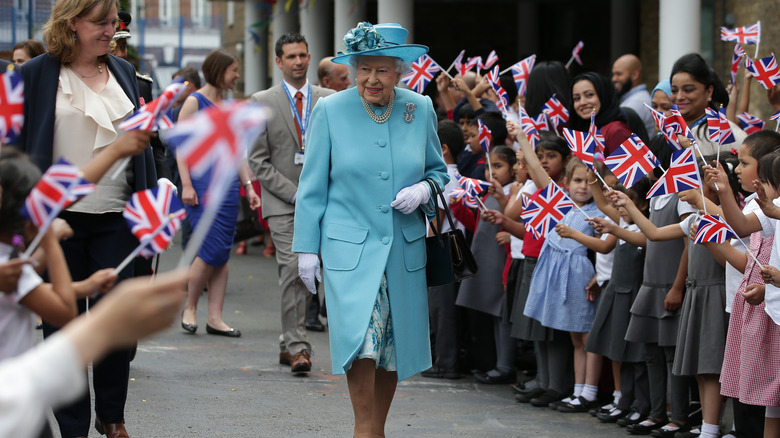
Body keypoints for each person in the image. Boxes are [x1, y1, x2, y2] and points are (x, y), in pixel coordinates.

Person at [292, 22, 449, 436]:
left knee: (391, 349)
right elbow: (312, 187)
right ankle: (365, 429)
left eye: (381, 70)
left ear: (400, 71)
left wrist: (422, 189)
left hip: (403, 250)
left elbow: (439, 171)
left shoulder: (420, 108)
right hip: (349, 253)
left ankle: (376, 429)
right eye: (363, 68)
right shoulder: (329, 110)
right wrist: (305, 248)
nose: (371, 79)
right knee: (361, 343)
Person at [17, 0, 157, 434]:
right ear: (72, 23)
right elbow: (18, 150)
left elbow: (144, 147)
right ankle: (73, 425)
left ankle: (112, 417)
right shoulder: (34, 75)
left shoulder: (126, 74)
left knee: (117, 323)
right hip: (57, 221)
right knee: (64, 327)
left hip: (119, 217)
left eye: (114, 22)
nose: (111, 30)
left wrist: (154, 205)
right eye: (101, 22)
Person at [0, 269, 187, 438]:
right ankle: (75, 429)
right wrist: (103, 325)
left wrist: (85, 288)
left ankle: (111, 417)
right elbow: (63, 311)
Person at [248, 32, 333, 374]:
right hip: (285, 203)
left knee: (313, 273)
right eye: (291, 56)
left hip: (324, 202)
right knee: (293, 270)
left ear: (310, 57)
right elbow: (258, 160)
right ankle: (299, 347)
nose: (298, 61)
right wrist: (294, 192)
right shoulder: (261, 101)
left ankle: (288, 341)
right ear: (278, 61)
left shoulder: (328, 99)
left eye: (302, 55)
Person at [177, 49, 260, 338]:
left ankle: (215, 317)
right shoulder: (194, 102)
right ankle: (189, 307)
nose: (237, 75)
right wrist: (186, 184)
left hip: (226, 187)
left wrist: (248, 187)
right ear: (218, 70)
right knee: (211, 250)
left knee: (222, 253)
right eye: (233, 69)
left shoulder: (228, 105)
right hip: (200, 186)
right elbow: (182, 148)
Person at [670, 53, 747, 156]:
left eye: (688, 90)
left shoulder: (726, 133)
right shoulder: (668, 132)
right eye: (674, 90)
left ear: (709, 92)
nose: (679, 97)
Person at [568, 72, 642, 156]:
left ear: (604, 96)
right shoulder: (581, 131)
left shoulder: (617, 131)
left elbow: (633, 168)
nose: (582, 102)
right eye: (577, 98)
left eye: (589, 95)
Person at [611, 54, 654, 135]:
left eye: (619, 74)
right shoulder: (633, 98)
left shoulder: (637, 101)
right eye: (613, 74)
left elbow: (619, 134)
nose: (614, 79)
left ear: (635, 75)